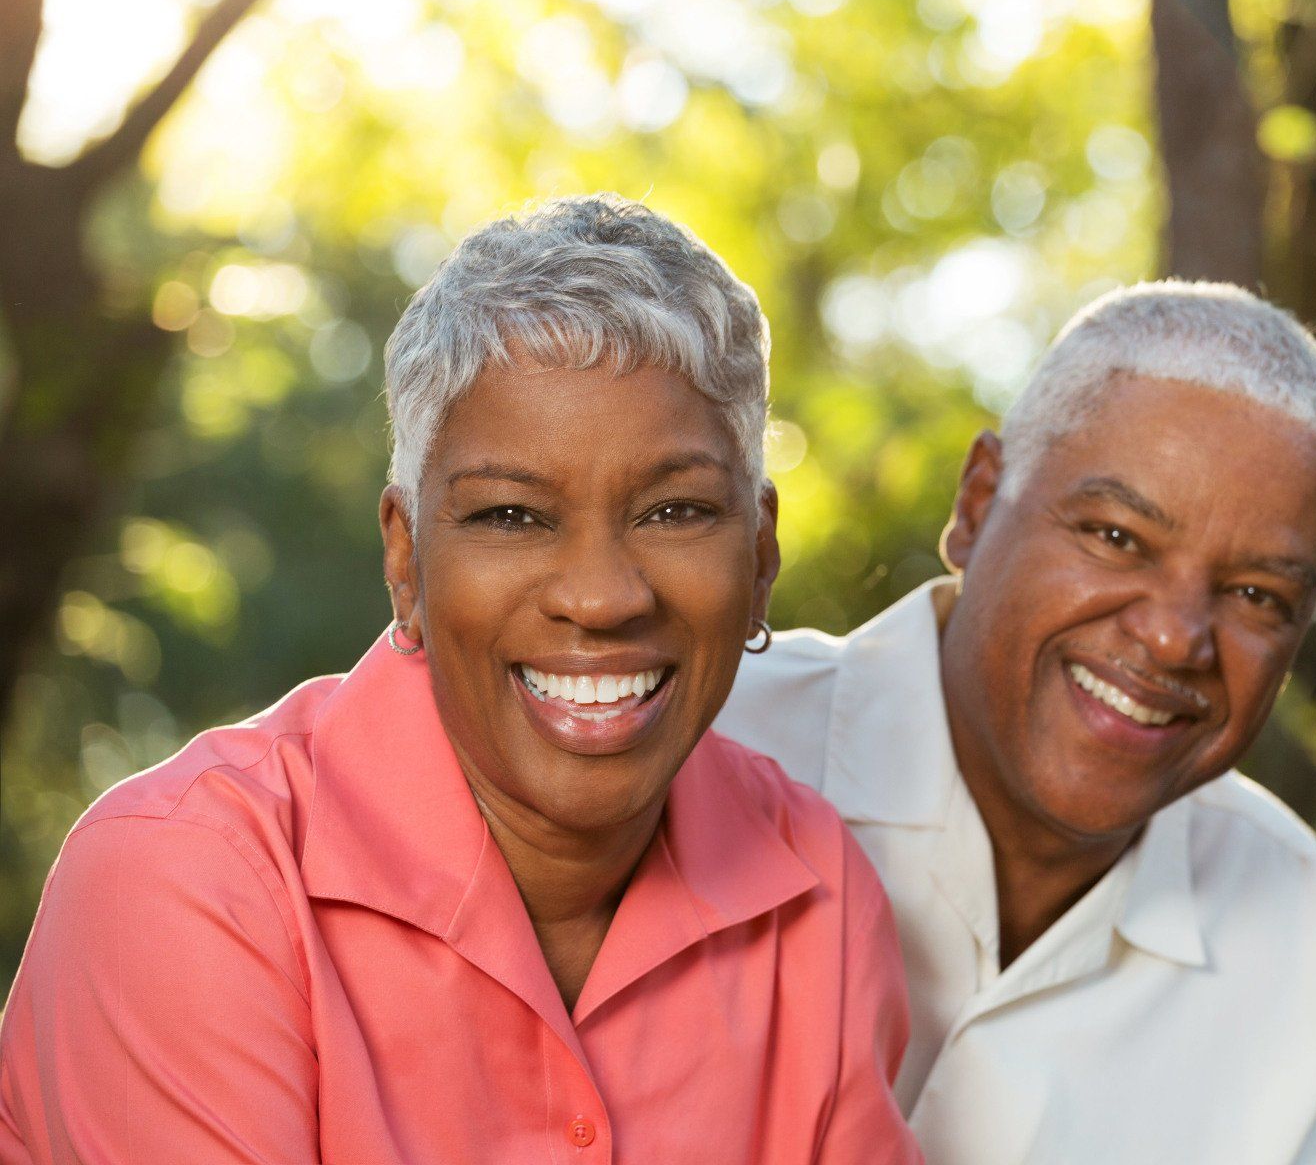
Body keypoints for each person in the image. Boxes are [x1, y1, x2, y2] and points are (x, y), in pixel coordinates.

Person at [0, 196, 921, 1165]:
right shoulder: (190, 877)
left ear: (762, 554)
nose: (602, 597)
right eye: (512, 516)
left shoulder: (817, 892)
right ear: (405, 557)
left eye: (677, 509)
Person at [716, 281, 1316, 1163]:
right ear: (977, 504)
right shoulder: (700, 748)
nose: (1173, 635)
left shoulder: (1305, 943)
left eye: (1257, 596)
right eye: (1116, 537)